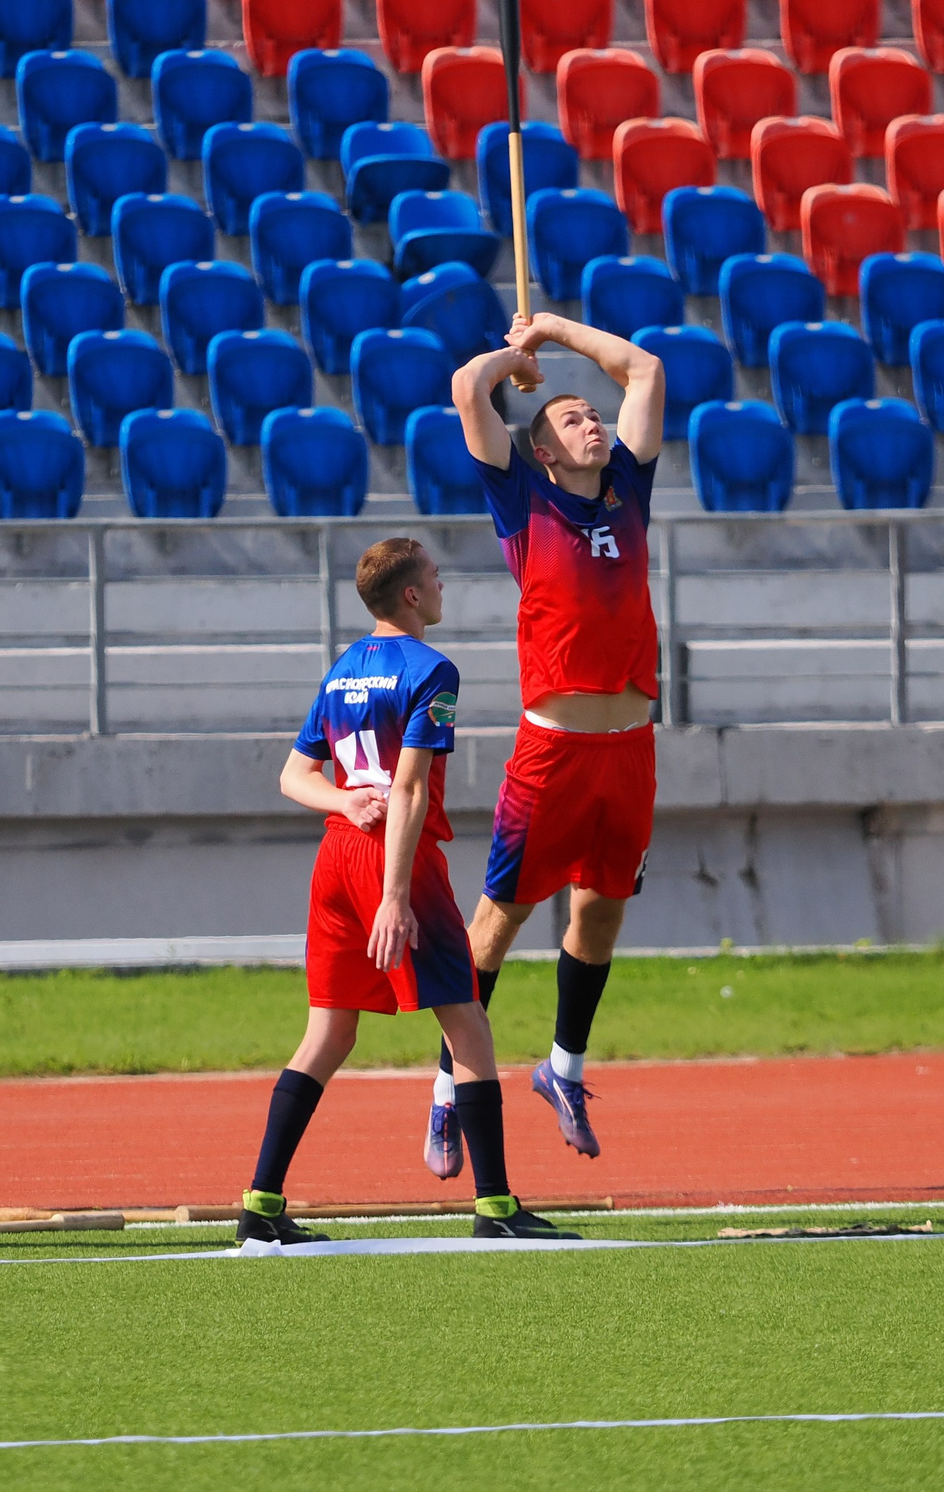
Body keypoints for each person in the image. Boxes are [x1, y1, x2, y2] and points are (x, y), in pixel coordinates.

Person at [241, 537, 577, 1245]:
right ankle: (495, 1207)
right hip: (397, 859)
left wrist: (340, 801)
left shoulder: (342, 670)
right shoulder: (433, 669)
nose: (444, 580)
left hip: (335, 859)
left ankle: (260, 1205)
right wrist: (395, 893)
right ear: (413, 596)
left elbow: (291, 776)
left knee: (328, 1031)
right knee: (467, 1022)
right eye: (434, 572)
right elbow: (412, 788)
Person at [424, 315, 666, 1173]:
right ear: (545, 451)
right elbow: (466, 390)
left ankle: (562, 1068)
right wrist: (514, 359)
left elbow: (643, 370)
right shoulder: (522, 497)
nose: (593, 422)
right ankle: (451, 1082)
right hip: (553, 751)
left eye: (592, 416)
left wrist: (558, 329)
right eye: (571, 420)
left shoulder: (628, 488)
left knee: (600, 910)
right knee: (499, 921)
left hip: (629, 746)